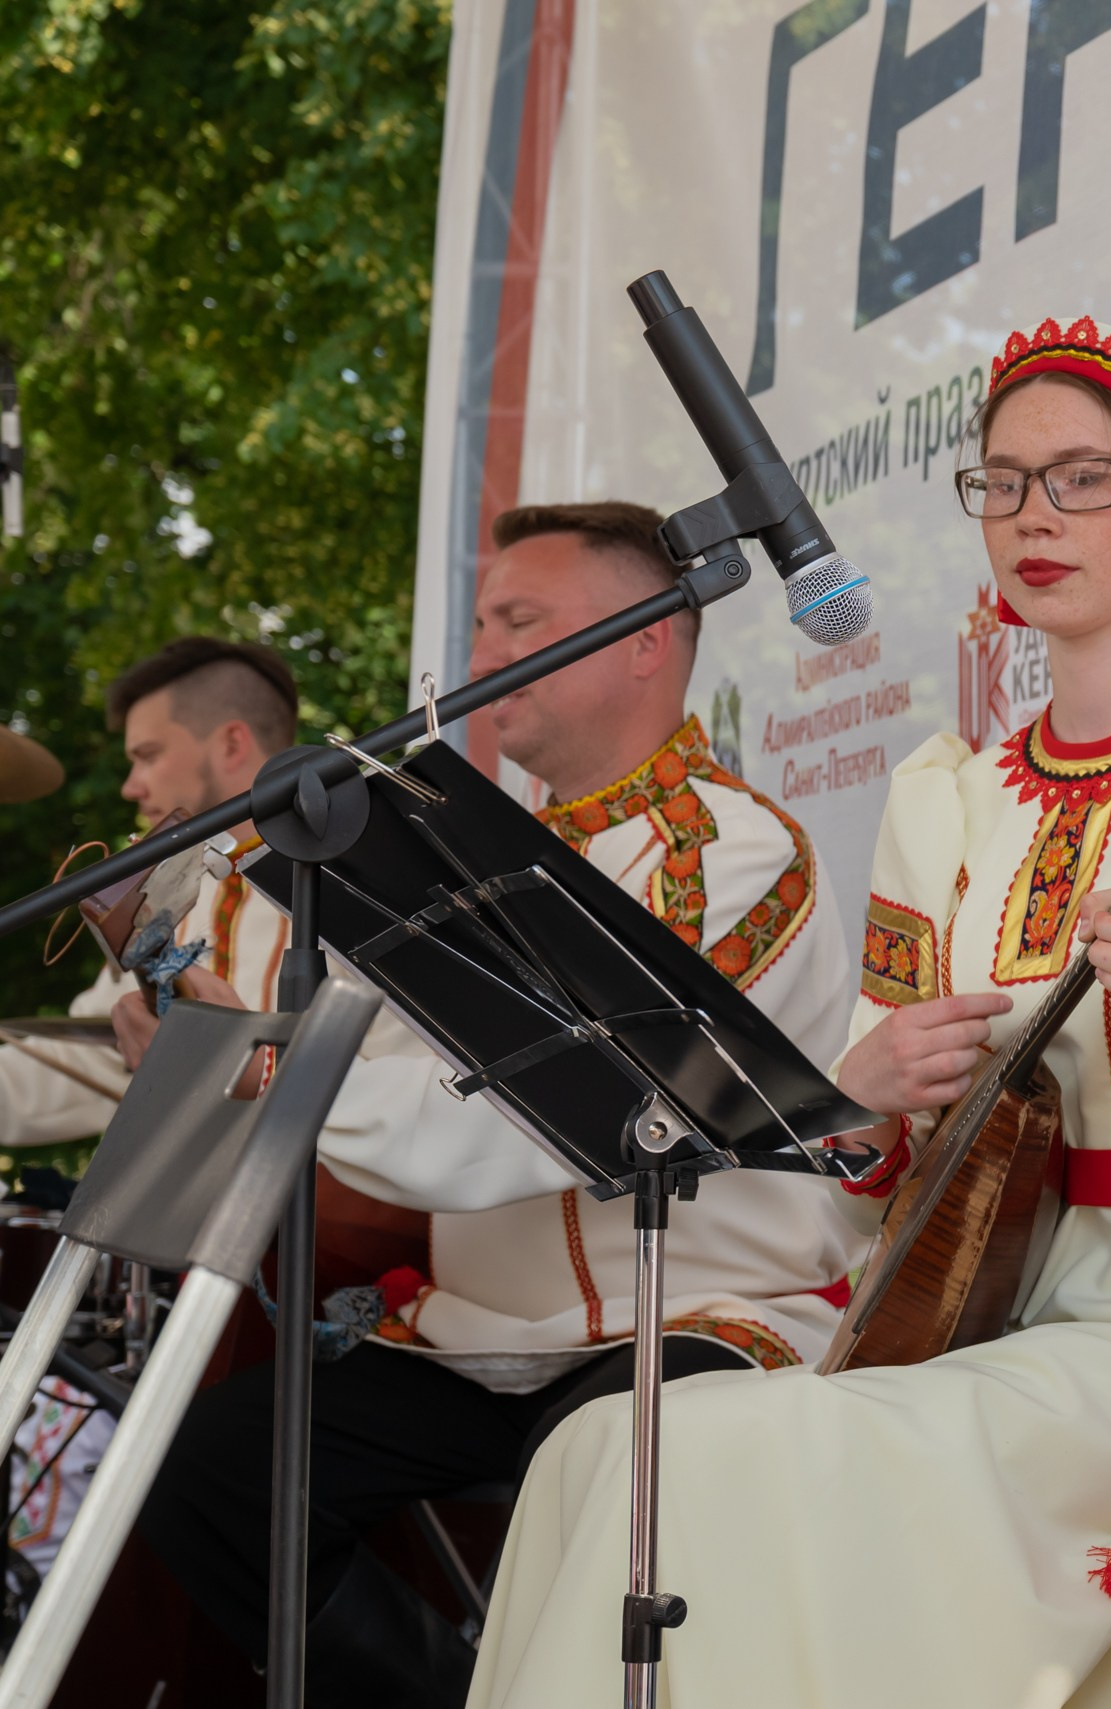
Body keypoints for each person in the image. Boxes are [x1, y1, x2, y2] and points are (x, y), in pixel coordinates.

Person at [465, 318, 1111, 1708]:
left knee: (709, 1466)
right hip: (994, 1314)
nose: (1035, 514)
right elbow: (869, 1196)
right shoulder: (942, 796)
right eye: (1005, 480)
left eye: (1085, 478)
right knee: (594, 1459)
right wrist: (869, 1086)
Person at [133, 502, 865, 1709]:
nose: (479, 654)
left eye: (519, 621)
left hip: (694, 1317)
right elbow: (366, 1067)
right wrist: (224, 1039)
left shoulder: (733, 852)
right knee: (209, 1466)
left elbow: (544, 1120)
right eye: (479, 623)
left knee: (590, 1470)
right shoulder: (462, 855)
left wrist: (275, 1076)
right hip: (484, 1339)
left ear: (645, 641)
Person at [0, 637, 301, 1142]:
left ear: (231, 743)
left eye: (148, 755)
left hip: (333, 1220)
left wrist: (258, 1070)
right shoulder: (169, 896)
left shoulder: (362, 887)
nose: (130, 786)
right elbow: (74, 1064)